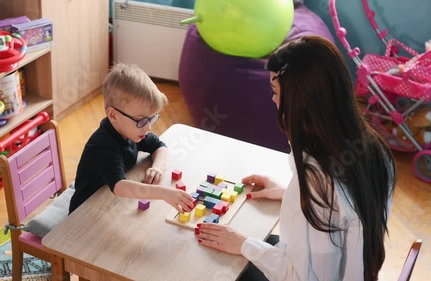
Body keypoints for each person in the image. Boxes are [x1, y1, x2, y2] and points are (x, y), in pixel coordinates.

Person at [195, 36, 396, 281]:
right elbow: (344, 211)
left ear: (300, 100)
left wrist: (244, 244)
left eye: (275, 91)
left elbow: (302, 278)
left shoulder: (316, 182)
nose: (273, 100)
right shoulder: (374, 149)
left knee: (217, 268)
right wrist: (289, 192)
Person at [69, 63, 194, 214]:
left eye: (151, 119)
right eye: (141, 120)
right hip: (84, 214)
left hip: (111, 204)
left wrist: (157, 167)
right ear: (113, 115)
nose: (148, 128)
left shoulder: (131, 131)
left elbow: (160, 146)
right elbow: (120, 186)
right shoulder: (102, 146)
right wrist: (163, 193)